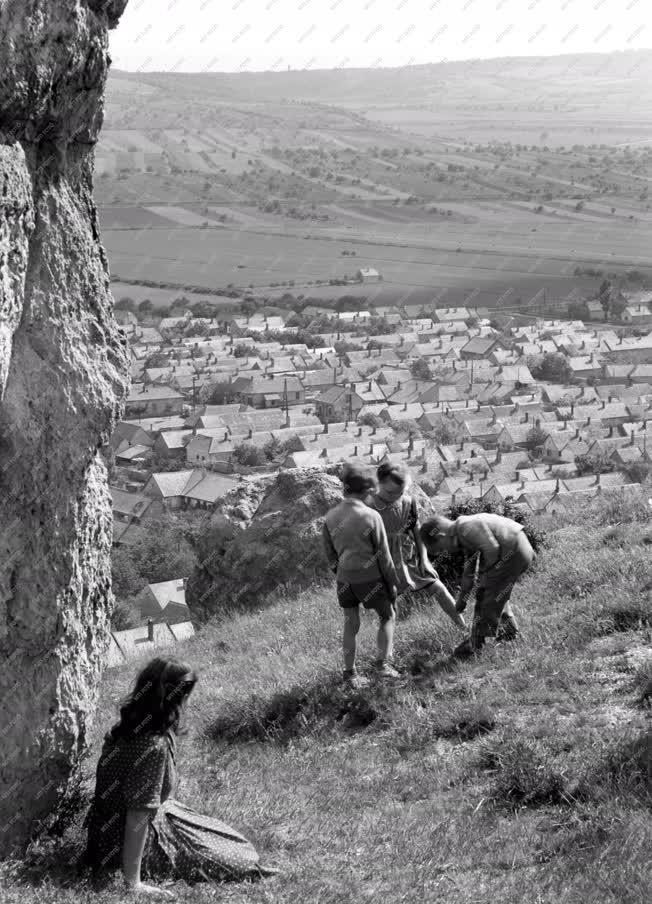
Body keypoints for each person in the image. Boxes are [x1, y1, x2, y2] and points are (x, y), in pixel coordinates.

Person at [79, 655, 277, 897]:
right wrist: (134, 883)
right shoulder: (153, 746)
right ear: (175, 698)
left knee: (232, 841)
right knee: (243, 860)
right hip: (127, 841)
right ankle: (140, 871)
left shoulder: (129, 728)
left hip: (105, 833)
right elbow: (137, 816)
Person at [322, 462, 401, 687]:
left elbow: (329, 554)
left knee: (351, 623)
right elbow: (384, 556)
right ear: (367, 491)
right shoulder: (371, 516)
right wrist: (392, 584)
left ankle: (350, 674)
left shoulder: (330, 517)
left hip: (345, 579)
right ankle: (383, 666)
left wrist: (341, 572)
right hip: (371, 578)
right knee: (388, 616)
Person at [366, 460, 467, 632]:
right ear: (379, 484)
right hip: (383, 562)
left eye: (400, 492)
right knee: (388, 608)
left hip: (409, 558)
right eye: (391, 492)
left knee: (439, 589)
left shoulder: (408, 502)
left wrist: (424, 560)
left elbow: (416, 532)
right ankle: (386, 653)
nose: (396, 497)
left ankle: (463, 628)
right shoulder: (369, 506)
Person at [420, 511, 535, 658]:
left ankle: (475, 644)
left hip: (513, 549)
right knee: (497, 594)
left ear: (441, 536)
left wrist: (486, 578)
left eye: (441, 549)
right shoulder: (462, 533)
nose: (445, 552)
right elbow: (469, 572)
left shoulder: (465, 526)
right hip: (519, 548)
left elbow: (491, 548)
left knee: (486, 594)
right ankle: (509, 632)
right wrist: (462, 599)